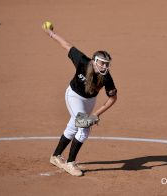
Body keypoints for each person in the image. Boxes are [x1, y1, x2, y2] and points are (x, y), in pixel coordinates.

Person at [43, 26, 118, 176]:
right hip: (73, 96)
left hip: (90, 101)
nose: (105, 66)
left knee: (73, 126)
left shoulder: (107, 77)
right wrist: (51, 33)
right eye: (102, 63)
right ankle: (70, 163)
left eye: (107, 63)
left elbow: (113, 98)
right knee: (84, 128)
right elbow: (66, 45)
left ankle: (55, 156)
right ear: (94, 61)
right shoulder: (83, 61)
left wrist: (96, 114)